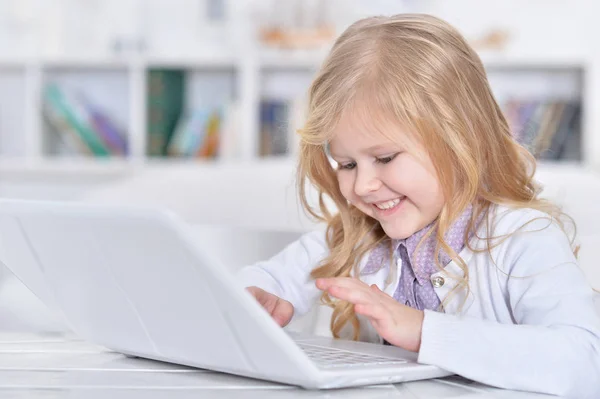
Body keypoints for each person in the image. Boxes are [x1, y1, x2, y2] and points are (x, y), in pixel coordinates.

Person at [237, 13, 600, 398]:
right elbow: (264, 282)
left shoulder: (523, 237)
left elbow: (585, 363)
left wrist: (423, 330)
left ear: (462, 138)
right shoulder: (355, 238)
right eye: (346, 164)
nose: (362, 185)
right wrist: (258, 296)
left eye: (386, 158)